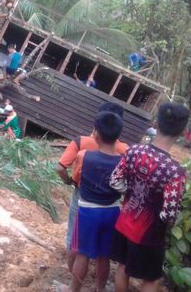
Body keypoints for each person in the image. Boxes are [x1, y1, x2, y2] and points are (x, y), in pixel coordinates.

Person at [109, 102, 189, 292]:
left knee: (123, 267)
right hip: (149, 234)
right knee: (151, 280)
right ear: (182, 131)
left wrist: (131, 194)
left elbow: (114, 181)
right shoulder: (174, 171)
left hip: (124, 222)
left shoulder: (134, 151)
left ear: (156, 123)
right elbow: (169, 214)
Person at [57, 102, 129, 275]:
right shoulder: (125, 150)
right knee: (103, 248)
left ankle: (71, 275)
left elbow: (60, 168)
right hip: (110, 202)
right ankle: (99, 284)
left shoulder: (81, 142)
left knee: (75, 237)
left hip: (83, 196)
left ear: (96, 123)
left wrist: (69, 181)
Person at [66, 111, 124, 292]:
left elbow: (76, 179)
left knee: (82, 254)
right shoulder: (123, 161)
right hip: (112, 212)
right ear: (118, 136)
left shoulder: (84, 156)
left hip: (88, 212)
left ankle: (74, 289)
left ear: (96, 134)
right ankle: (100, 289)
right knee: (103, 256)